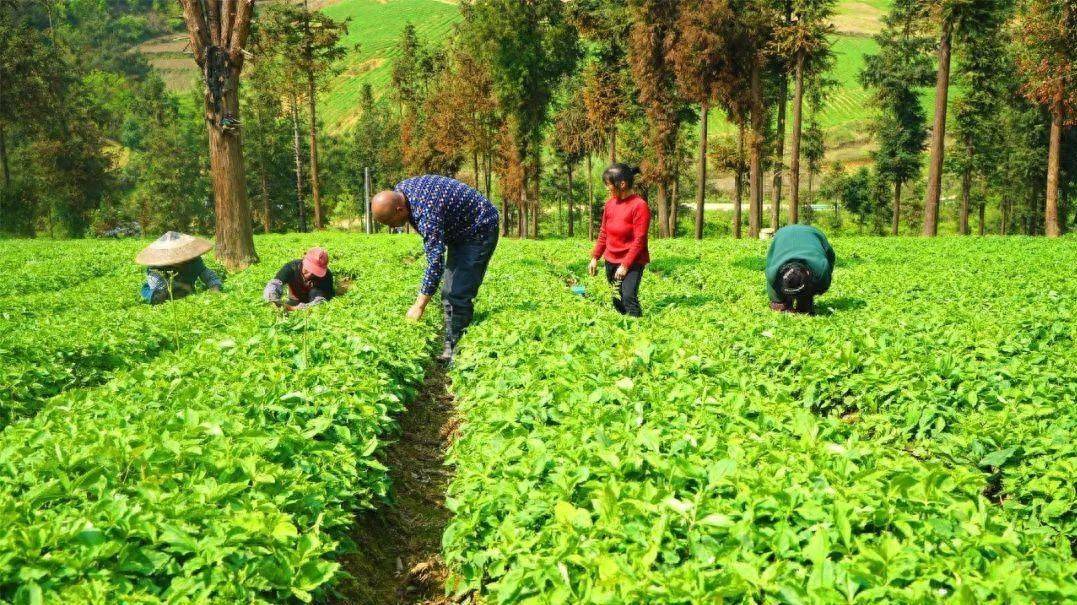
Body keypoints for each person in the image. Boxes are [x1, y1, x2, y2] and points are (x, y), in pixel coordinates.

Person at [371, 175, 499, 362]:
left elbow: (435, 262)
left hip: (479, 228)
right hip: (459, 230)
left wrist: (419, 305)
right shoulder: (401, 190)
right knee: (449, 291)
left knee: (457, 294)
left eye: (391, 222)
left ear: (399, 209)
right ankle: (451, 345)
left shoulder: (426, 211)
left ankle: (457, 353)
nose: (392, 227)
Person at [588, 163, 651, 317]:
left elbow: (640, 240)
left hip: (632, 261)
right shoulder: (610, 204)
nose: (607, 188)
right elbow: (604, 232)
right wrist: (595, 257)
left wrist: (625, 265)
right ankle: (624, 330)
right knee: (616, 298)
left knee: (628, 297)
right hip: (611, 259)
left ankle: (639, 332)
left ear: (622, 184)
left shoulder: (639, 206)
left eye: (608, 184)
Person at [764, 224, 836, 315]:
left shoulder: (821, 270)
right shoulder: (773, 272)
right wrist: (780, 304)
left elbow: (831, 257)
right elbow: (775, 299)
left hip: (812, 233)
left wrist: (806, 297)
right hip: (783, 235)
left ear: (809, 273)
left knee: (805, 307)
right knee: (779, 306)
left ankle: (804, 300)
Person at [136, 231, 222, 304]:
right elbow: (158, 286)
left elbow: (208, 275)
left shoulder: (194, 261)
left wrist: (215, 288)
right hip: (160, 292)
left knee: (184, 294)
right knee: (159, 297)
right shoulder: (155, 266)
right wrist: (182, 285)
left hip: (186, 291)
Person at [263, 247, 335, 311]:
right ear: (303, 260)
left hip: (311, 302)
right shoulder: (291, 267)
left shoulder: (326, 276)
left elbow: (320, 302)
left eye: (314, 272)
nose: (309, 275)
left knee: (315, 292)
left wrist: (292, 309)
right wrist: (273, 299)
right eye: (307, 269)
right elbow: (274, 284)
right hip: (295, 299)